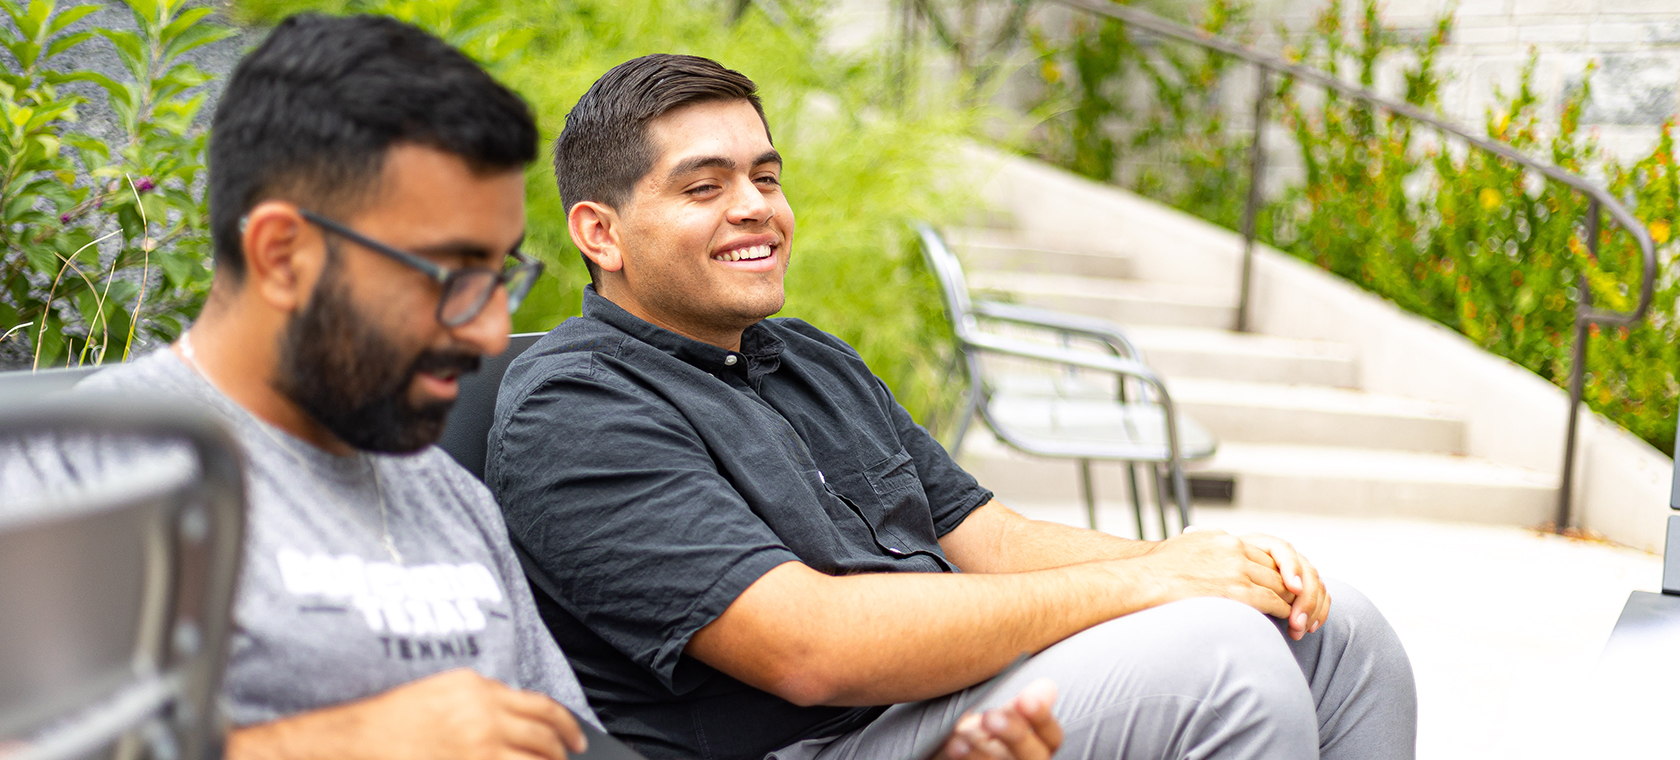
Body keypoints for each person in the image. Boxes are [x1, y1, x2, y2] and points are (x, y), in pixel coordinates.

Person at [1, 16, 1058, 760]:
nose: (496, 330)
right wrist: (328, 743)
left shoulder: (444, 499)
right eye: (451, 275)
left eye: (503, 275)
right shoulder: (88, 466)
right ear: (283, 255)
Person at [487, 53, 1419, 760]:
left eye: (766, 178)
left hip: (928, 701)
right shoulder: (574, 406)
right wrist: (1147, 586)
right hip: (809, 741)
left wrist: (1196, 559)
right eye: (705, 186)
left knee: (1339, 634)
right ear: (599, 232)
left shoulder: (805, 359)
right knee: (1220, 660)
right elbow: (808, 648)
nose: (756, 208)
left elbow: (991, 537)